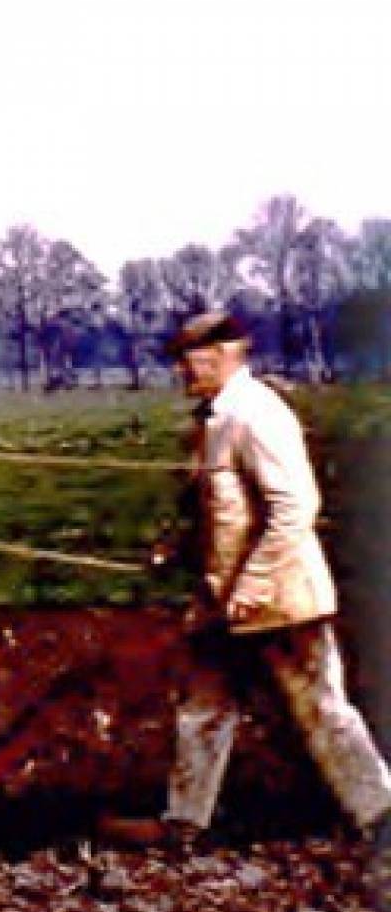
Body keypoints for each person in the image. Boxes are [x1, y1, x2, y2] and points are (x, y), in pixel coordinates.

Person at [102, 310, 391, 848]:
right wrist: (177, 549)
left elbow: (294, 508)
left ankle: (379, 816)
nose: (183, 374)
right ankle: (184, 824)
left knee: (321, 709)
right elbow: (221, 510)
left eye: (189, 362)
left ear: (222, 355)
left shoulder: (257, 414)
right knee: (203, 706)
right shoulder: (214, 419)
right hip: (225, 601)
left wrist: (253, 587)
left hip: (280, 600)